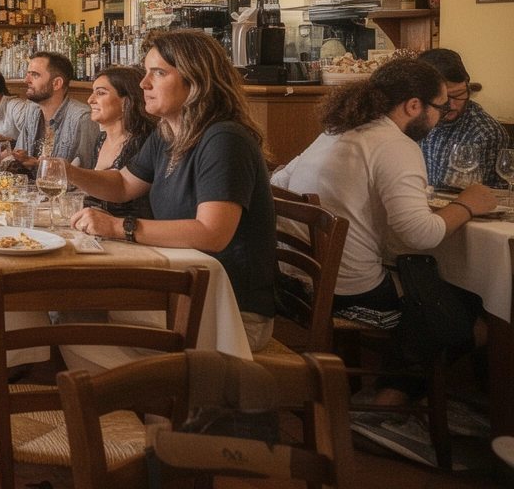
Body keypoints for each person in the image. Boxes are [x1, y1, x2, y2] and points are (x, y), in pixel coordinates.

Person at [271, 58, 496, 412]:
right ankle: (390, 402)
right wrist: (468, 204)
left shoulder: (336, 130)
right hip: (347, 291)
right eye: (439, 107)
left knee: (433, 291)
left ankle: (390, 397)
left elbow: (279, 181)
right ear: (413, 106)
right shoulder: (395, 145)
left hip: (297, 279)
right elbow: (421, 234)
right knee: (471, 309)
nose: (441, 116)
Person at [66, 30, 279, 352]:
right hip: (185, 286)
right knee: (71, 305)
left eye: (159, 73)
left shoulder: (224, 139)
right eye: (146, 71)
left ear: (196, 81)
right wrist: (64, 170)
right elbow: (123, 185)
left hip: (230, 311)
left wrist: (117, 227)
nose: (143, 84)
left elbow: (212, 233)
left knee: (75, 317)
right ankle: (138, 397)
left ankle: (160, 397)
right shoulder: (168, 133)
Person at [416, 48, 510, 189]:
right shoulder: (414, 120)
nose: (452, 105)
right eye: (443, 98)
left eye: (459, 94)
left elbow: (491, 196)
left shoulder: (484, 133)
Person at [84, 66, 155, 220]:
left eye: (100, 93)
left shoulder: (143, 142)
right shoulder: (101, 140)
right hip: (99, 229)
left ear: (125, 101)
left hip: (131, 234)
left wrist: (67, 171)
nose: (90, 100)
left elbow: (129, 200)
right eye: (93, 91)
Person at [12, 52, 100, 171]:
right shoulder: (32, 110)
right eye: (28, 74)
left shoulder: (82, 119)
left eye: (35, 75)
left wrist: (39, 164)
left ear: (57, 83)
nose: (26, 80)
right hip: (31, 188)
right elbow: (19, 159)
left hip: (64, 189)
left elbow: (86, 176)